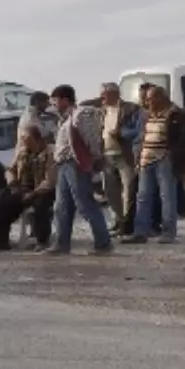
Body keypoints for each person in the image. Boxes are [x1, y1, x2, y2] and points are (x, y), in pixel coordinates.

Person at [46, 84, 113, 255]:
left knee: (85, 203)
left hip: (75, 164)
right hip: (63, 165)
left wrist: (96, 159)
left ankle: (103, 242)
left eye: (56, 101)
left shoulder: (82, 115)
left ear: (64, 99)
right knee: (61, 206)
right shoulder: (65, 118)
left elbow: (91, 138)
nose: (54, 105)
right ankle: (61, 243)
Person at [122, 85, 185, 245]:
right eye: (146, 98)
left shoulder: (176, 114)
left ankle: (168, 232)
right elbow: (142, 136)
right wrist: (138, 157)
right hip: (146, 159)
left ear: (161, 97)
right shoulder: (146, 115)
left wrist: (174, 155)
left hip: (165, 159)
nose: (147, 101)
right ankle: (140, 232)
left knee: (167, 196)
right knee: (143, 197)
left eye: (151, 98)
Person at [0, 125, 56, 251]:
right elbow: (10, 170)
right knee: (2, 203)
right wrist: (12, 184)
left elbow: (50, 181)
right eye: (22, 140)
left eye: (27, 139)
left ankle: (42, 241)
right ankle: (2, 241)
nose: (23, 142)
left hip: (43, 191)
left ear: (37, 139)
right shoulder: (23, 152)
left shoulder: (50, 153)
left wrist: (34, 193)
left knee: (40, 207)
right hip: (23, 189)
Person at [99, 82, 143, 236]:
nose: (101, 97)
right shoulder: (102, 111)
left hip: (124, 154)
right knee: (110, 192)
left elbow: (138, 131)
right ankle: (118, 220)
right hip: (106, 155)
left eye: (104, 94)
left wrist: (121, 133)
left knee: (128, 190)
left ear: (114, 93)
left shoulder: (131, 109)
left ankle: (127, 224)